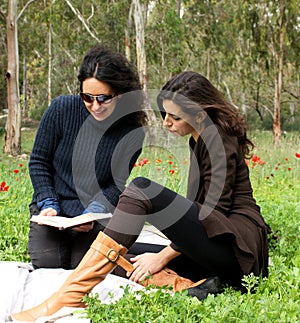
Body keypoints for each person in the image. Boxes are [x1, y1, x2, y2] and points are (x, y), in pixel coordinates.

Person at [11, 71, 271, 322]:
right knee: (119, 251)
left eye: (175, 117)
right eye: (164, 114)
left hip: (238, 253)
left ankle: (68, 297)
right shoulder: (200, 138)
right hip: (213, 251)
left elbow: (214, 214)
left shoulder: (218, 141)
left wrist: (164, 256)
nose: (167, 122)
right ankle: (191, 285)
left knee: (142, 189)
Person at [27, 44, 147, 270]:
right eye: (87, 97)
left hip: (92, 215)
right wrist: (48, 203)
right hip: (51, 211)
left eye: (103, 98)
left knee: (83, 268)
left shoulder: (132, 133)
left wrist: (93, 212)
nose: (95, 106)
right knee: (48, 266)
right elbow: (39, 162)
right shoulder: (61, 109)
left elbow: (115, 184)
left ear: (120, 94)